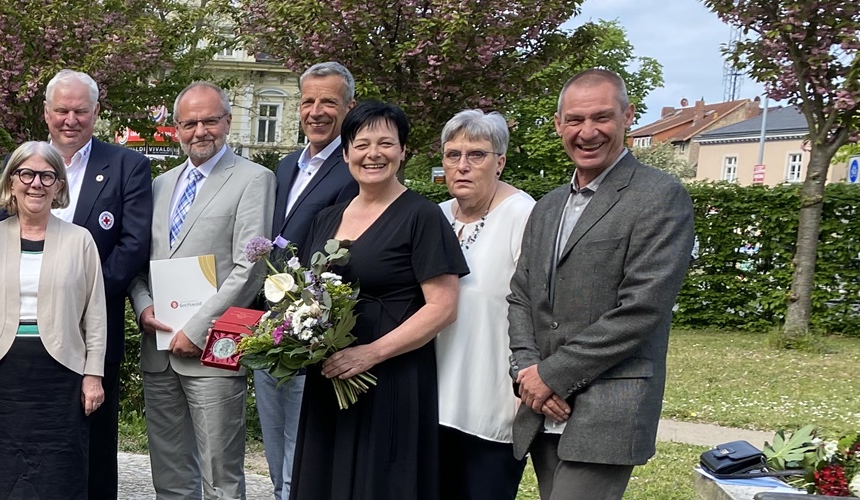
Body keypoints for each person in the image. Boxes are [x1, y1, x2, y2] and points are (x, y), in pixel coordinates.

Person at [508, 69, 696, 500]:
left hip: (608, 408)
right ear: (558, 125)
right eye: (574, 120)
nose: (587, 132)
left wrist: (551, 375)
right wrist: (526, 372)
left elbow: (642, 309)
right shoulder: (549, 206)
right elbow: (522, 296)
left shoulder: (659, 196)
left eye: (601, 117)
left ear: (628, 116)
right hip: (544, 407)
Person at [0, 69, 151, 498]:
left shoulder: (127, 166)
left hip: (92, 334)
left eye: (80, 110)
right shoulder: (22, 165)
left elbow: (132, 245)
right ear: (46, 113)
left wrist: (77, 299)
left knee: (91, 452)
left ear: (96, 112)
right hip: (17, 347)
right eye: (62, 110)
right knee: (17, 452)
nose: (70, 119)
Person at [290, 101, 467, 500]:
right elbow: (305, 290)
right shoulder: (326, 216)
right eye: (362, 143)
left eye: (386, 143)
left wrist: (370, 354)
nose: (373, 154)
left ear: (403, 151)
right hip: (331, 377)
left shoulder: (421, 216)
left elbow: (443, 307)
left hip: (390, 379)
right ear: (347, 152)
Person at [127, 81, 274, 500]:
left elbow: (250, 265)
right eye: (189, 123)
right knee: (169, 475)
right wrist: (143, 308)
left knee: (221, 477)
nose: (200, 130)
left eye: (210, 120)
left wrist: (196, 328)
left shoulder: (253, 180)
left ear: (227, 122)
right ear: (176, 129)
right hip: (158, 349)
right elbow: (140, 264)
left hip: (214, 350)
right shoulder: (159, 185)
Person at [0, 141, 110, 499]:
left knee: (60, 473)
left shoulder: (80, 241)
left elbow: (96, 313)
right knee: (1, 472)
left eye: (47, 175)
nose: (36, 183)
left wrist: (94, 374)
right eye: (26, 173)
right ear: (12, 181)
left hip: (62, 377)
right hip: (2, 375)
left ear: (59, 185)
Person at [257, 61, 360, 500]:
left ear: (349, 107)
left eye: (329, 102)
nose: (316, 111)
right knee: (275, 438)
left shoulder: (355, 165)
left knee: (307, 442)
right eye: (308, 101)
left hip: (318, 326)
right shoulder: (285, 166)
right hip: (273, 325)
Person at [433, 109, 534, 500]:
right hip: (433, 401)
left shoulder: (523, 215)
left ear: (500, 161)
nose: (462, 165)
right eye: (452, 154)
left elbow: (539, 308)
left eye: (476, 154)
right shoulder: (437, 216)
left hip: (491, 402)